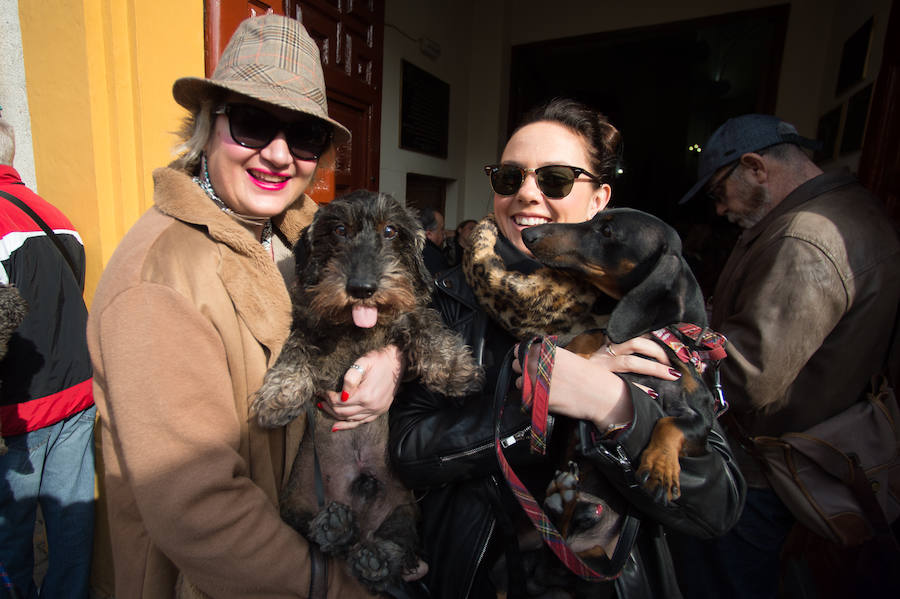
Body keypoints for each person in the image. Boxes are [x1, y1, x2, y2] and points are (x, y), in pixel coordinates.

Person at [86, 15, 405, 598]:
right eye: (255, 124)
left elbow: (386, 308)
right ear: (209, 125)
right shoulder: (157, 279)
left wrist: (389, 360)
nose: (280, 155)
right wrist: (334, 588)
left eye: (305, 135)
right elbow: (199, 510)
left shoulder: (302, 235)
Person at [389, 98, 745, 599]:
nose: (527, 195)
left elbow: (718, 505)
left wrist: (611, 405)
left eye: (555, 179)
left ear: (600, 198)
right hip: (474, 572)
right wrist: (535, 404)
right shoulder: (441, 298)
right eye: (509, 178)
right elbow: (406, 450)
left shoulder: (653, 311)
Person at [671, 114, 900, 598]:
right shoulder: (842, 209)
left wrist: (658, 359)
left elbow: (748, 374)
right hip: (789, 453)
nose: (719, 210)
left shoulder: (805, 237)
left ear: (754, 167)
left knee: (721, 582)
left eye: (718, 192)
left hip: (759, 472)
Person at [0, 119, 95, 598]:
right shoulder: (55, 215)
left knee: (9, 530)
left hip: (20, 406)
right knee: (70, 516)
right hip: (78, 388)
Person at [419, 207, 450, 274]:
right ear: (428, 234)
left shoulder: (407, 247)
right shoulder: (433, 256)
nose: (444, 234)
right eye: (441, 229)